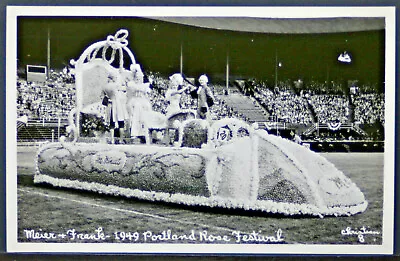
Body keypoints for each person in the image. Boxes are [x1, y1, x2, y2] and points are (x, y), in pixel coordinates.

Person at [126, 64, 153, 141]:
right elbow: (135, 88)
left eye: (140, 78)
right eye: (137, 78)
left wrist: (147, 88)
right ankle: (135, 133)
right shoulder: (132, 84)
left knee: (146, 110)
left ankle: (145, 132)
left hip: (143, 100)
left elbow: (147, 91)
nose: (139, 80)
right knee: (137, 111)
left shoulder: (144, 85)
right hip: (135, 100)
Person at [102, 73, 128, 142]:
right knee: (121, 121)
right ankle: (121, 140)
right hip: (117, 104)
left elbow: (103, 96)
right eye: (115, 77)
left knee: (111, 122)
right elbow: (125, 89)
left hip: (110, 104)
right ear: (113, 78)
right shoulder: (116, 85)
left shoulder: (105, 86)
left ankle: (112, 139)